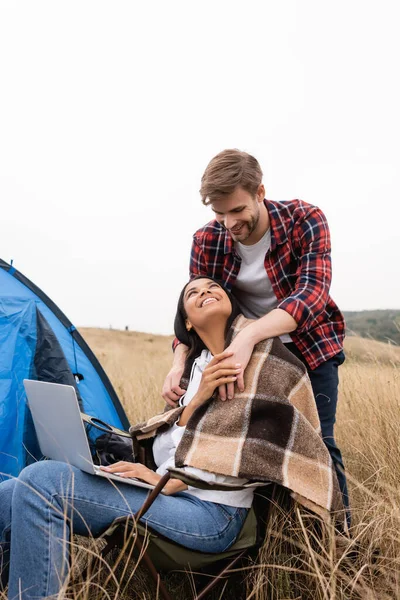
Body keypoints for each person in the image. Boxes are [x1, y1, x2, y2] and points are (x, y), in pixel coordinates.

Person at [0, 280, 256, 600]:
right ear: (187, 322)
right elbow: (175, 444)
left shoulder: (253, 361)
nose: (204, 292)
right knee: (8, 491)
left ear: (231, 302)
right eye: (193, 292)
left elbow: (254, 450)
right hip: (167, 497)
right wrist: (190, 406)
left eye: (212, 287)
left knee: (42, 480)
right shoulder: (196, 371)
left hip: (213, 514)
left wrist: (166, 479)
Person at [162, 149, 349, 524]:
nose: (228, 222)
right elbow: (195, 309)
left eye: (237, 210)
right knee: (248, 447)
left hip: (309, 350)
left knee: (318, 444)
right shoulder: (207, 240)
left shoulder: (305, 219)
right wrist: (179, 361)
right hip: (244, 358)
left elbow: (310, 296)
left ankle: (339, 540)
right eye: (219, 212)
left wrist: (247, 338)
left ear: (261, 192)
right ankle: (260, 543)